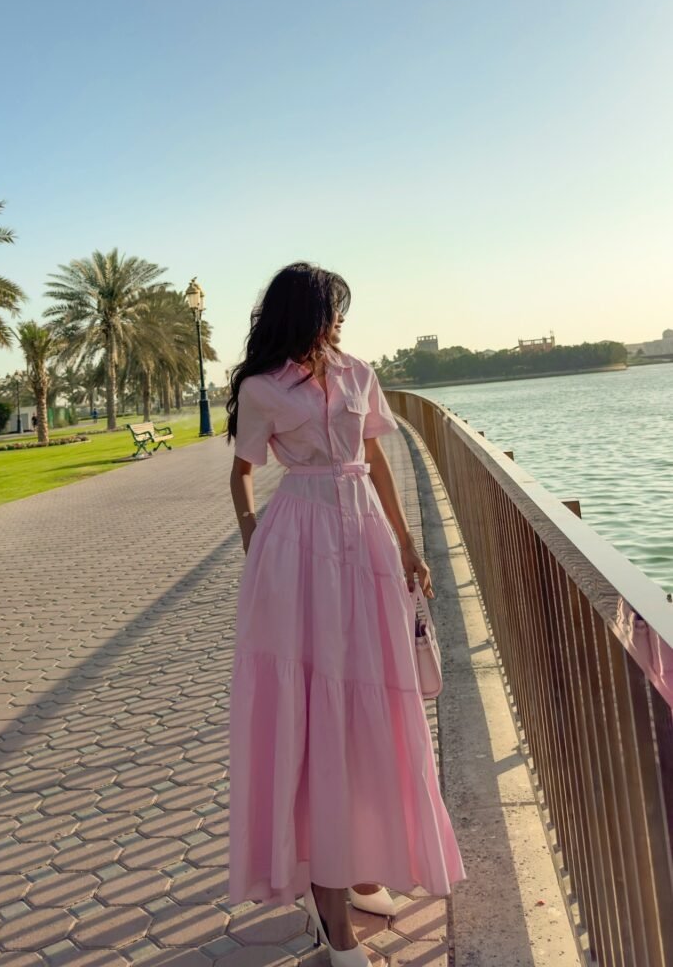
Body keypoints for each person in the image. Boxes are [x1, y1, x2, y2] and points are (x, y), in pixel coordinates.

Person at [227, 263, 465, 967]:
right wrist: (251, 539)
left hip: (361, 539)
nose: (339, 324)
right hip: (294, 546)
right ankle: (329, 911)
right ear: (300, 314)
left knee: (370, 700)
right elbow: (240, 473)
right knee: (312, 707)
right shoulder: (261, 388)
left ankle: (357, 867)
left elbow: (375, 460)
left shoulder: (359, 372)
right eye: (330, 311)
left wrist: (408, 546)